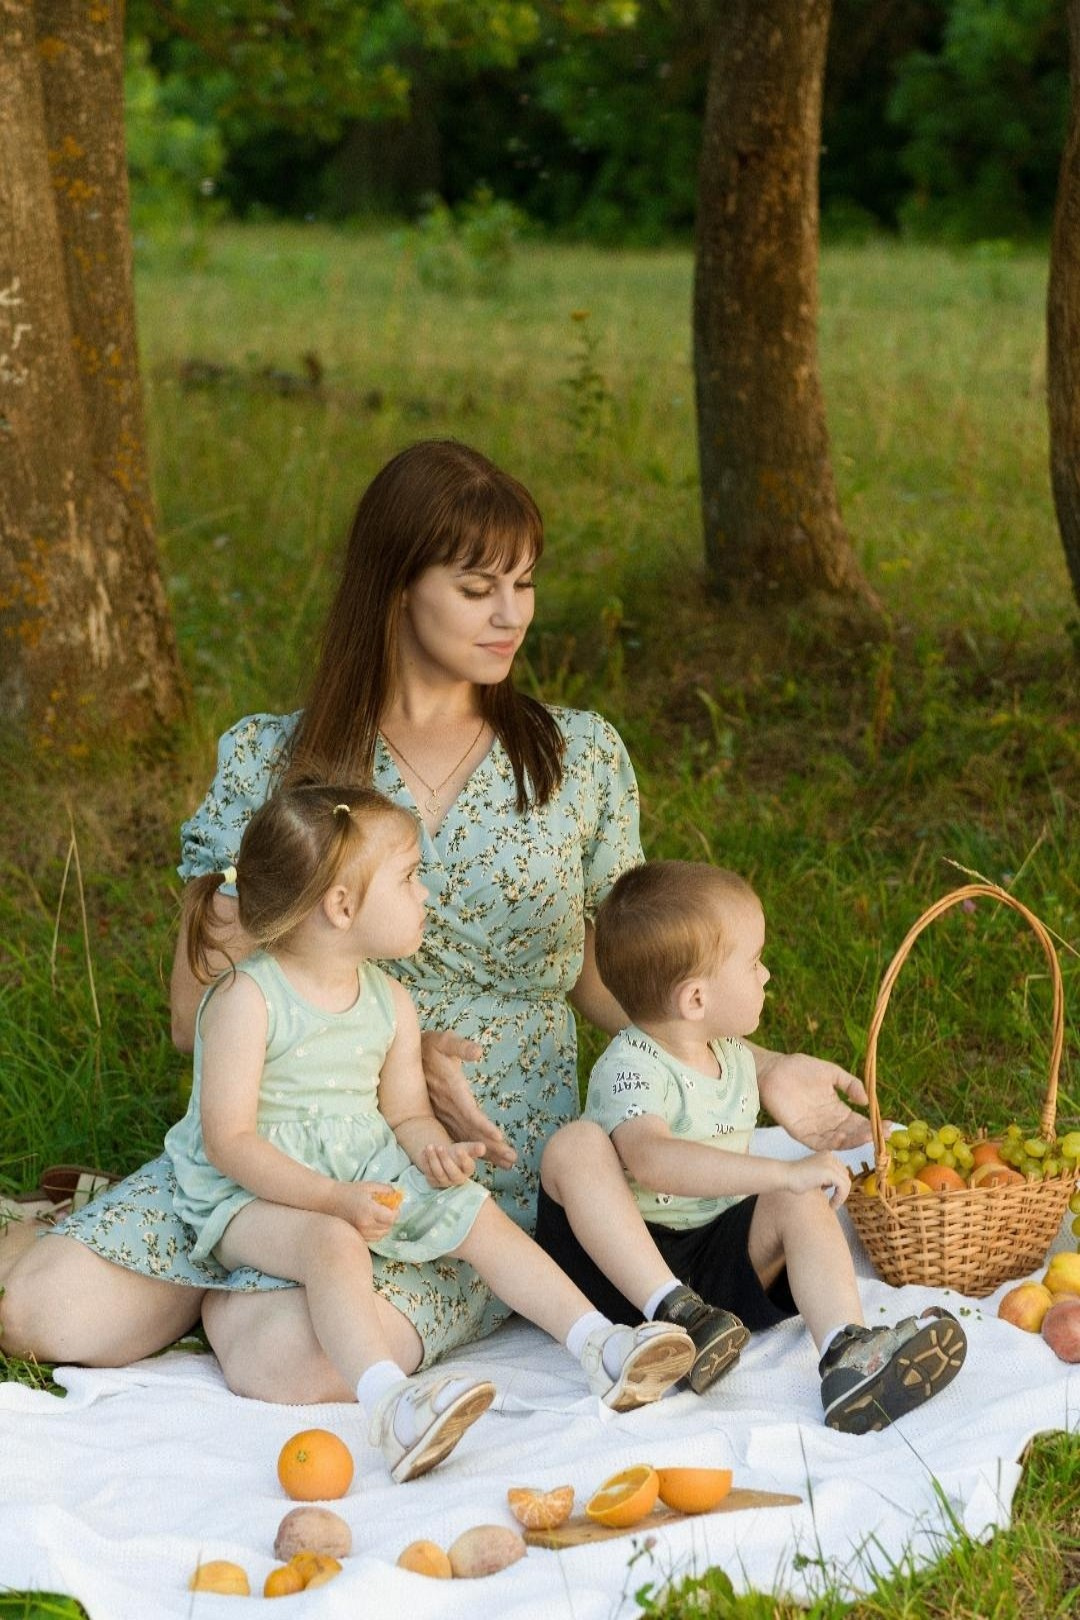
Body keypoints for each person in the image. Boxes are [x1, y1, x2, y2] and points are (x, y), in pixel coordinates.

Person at [0, 439, 873, 1402]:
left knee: (300, 1363)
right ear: (396, 587)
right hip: (276, 1126)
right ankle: (210, 1254)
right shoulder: (273, 763)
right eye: (476, 588)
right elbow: (190, 1014)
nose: (513, 616)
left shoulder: (575, 760)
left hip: (465, 1160)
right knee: (40, 1318)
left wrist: (761, 1068)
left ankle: (253, 1289)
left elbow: (614, 979)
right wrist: (356, 1027)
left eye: (525, 585)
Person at [163, 783, 693, 1478]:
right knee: (331, 1242)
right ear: (342, 906)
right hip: (247, 1195)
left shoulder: (389, 1001)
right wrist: (331, 1200)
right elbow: (229, 1143)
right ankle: (391, 1407)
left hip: (355, 1171)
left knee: (478, 1215)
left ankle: (600, 1344)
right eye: (410, 878)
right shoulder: (248, 999)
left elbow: (405, 1113)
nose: (425, 894)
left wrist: (433, 1152)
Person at [536, 861, 968, 1433]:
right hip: (623, 1268)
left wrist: (790, 1184)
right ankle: (673, 1314)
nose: (767, 976)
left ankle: (847, 1353)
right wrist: (775, 1173)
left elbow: (762, 1189)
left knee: (801, 1200)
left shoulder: (734, 1055)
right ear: (695, 999)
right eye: (753, 963)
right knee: (576, 1145)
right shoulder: (630, 1067)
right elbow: (653, 1161)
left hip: (712, 1268)